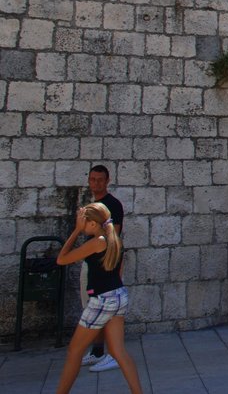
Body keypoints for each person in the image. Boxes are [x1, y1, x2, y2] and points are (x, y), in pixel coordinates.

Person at [55, 202, 142, 394]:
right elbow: (118, 271)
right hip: (118, 296)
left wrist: (76, 231)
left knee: (74, 351)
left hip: (102, 300)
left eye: (83, 221)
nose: (81, 224)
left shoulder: (97, 242)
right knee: (118, 352)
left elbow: (62, 259)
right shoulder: (114, 239)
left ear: (93, 224)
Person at [81, 165, 125, 373]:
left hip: (105, 266)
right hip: (91, 264)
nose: (96, 183)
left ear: (107, 181)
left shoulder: (113, 205)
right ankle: (98, 351)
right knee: (92, 308)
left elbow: (112, 237)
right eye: (92, 179)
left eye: (100, 179)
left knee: (107, 311)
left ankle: (114, 354)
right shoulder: (92, 205)